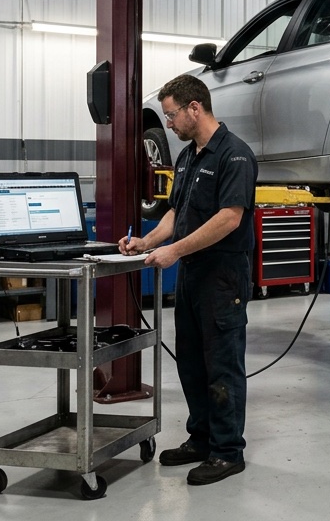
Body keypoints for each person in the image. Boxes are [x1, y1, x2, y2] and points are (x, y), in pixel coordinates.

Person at [120, 74, 257, 486]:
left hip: (223, 277)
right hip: (193, 275)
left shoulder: (235, 155)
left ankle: (228, 450)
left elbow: (230, 218)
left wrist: (175, 251)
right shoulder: (188, 158)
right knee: (193, 363)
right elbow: (175, 214)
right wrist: (147, 241)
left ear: (195, 108)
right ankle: (201, 440)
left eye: (172, 115)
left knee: (222, 365)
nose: (170, 124)